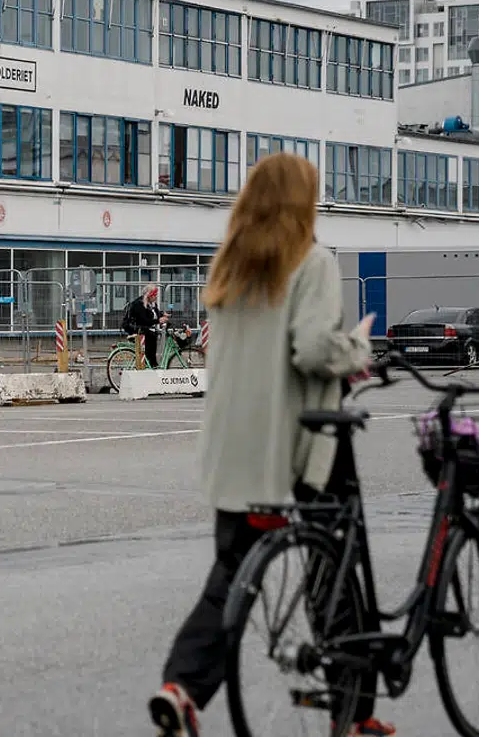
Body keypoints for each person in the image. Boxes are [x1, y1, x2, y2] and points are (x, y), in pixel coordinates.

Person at [148, 153, 393, 737]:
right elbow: (312, 348)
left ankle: (182, 688)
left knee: (233, 571)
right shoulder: (313, 261)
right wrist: (357, 349)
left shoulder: (230, 265)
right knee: (335, 571)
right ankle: (352, 711)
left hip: (235, 446)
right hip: (303, 442)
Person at [122, 284, 169, 367]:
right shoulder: (139, 304)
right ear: (149, 295)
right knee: (151, 335)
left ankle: (151, 362)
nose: (156, 297)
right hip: (133, 327)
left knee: (153, 335)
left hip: (143, 327)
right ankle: (151, 363)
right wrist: (158, 320)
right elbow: (144, 321)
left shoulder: (152, 304)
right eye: (154, 295)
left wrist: (162, 315)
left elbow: (155, 313)